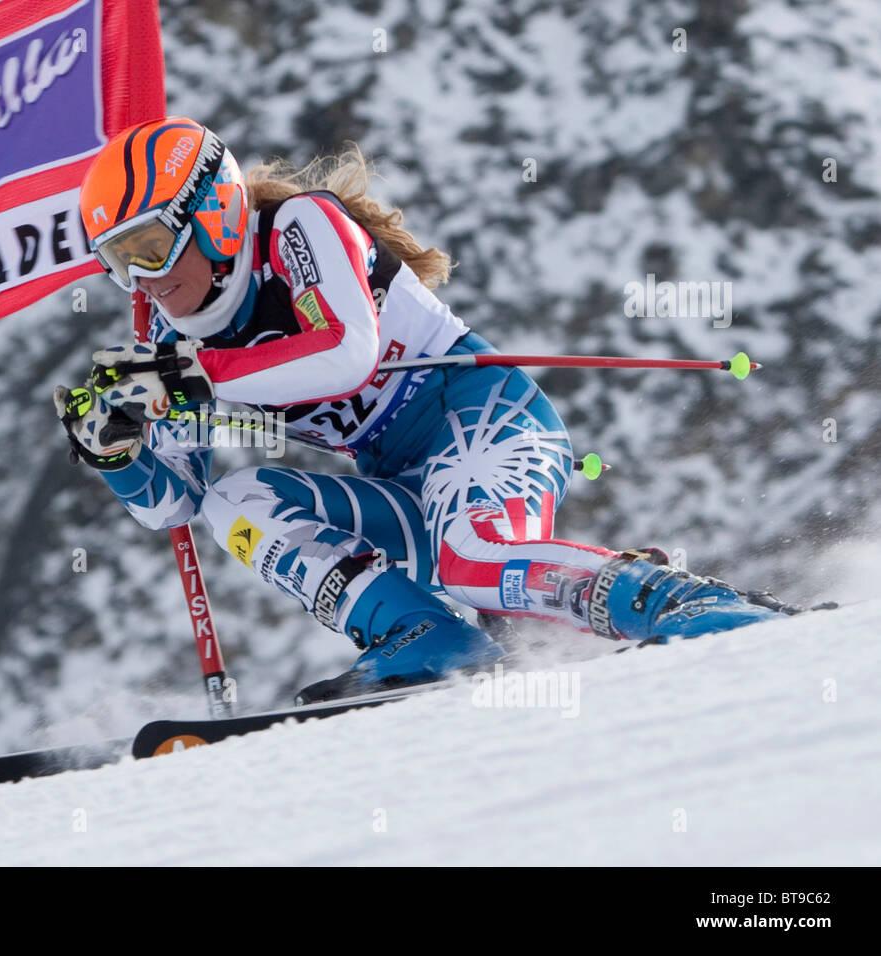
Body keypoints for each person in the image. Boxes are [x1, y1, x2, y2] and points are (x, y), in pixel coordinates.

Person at [54, 117, 799, 702]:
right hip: (403, 482)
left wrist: (198, 378)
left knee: (474, 561)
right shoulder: (168, 332)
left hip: (481, 422)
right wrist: (118, 451)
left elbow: (347, 348)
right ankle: (424, 636)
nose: (141, 279)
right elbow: (175, 501)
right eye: (117, 260)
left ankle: (676, 601)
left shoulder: (298, 232)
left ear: (211, 211)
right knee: (232, 502)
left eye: (150, 246)